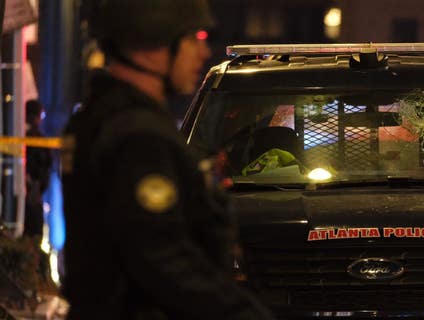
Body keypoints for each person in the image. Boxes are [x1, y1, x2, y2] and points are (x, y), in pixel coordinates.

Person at [60, 1, 274, 319]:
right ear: (151, 46)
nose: (203, 52)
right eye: (192, 39)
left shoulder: (103, 117)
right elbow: (160, 255)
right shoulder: (136, 135)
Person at [24, 99, 52, 239]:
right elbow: (46, 164)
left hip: (31, 190)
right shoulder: (36, 139)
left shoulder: (21, 135)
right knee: (33, 234)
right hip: (32, 192)